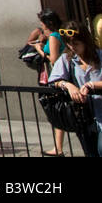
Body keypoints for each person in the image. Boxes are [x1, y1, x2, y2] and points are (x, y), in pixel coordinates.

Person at [47, 25, 102, 158]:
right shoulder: (67, 59)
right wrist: (68, 85)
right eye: (69, 43)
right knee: (91, 153)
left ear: (85, 41)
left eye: (76, 43)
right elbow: (54, 81)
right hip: (82, 117)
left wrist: (92, 85)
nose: (72, 47)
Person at [33, 9, 68, 156]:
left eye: (43, 23)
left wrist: (39, 49)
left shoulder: (54, 36)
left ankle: (58, 148)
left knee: (57, 111)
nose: (41, 26)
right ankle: (58, 147)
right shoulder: (59, 33)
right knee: (59, 111)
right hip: (60, 77)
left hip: (55, 77)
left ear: (49, 23)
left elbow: (53, 59)